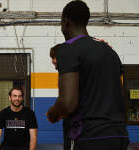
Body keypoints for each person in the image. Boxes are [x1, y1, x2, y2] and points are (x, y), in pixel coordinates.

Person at [46, 1, 129, 150]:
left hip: (89, 137)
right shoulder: (110, 51)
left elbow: (68, 104)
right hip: (120, 136)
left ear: (66, 21)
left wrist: (52, 113)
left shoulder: (68, 48)